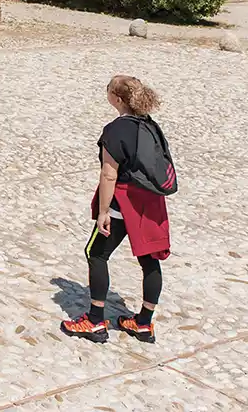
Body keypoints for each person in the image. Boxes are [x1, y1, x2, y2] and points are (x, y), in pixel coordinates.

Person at [61, 74, 170, 344]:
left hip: (125, 201)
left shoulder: (115, 130)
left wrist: (103, 212)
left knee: (96, 253)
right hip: (152, 200)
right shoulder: (150, 125)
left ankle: (95, 321)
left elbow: (109, 175)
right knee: (149, 258)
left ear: (117, 99)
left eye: (108, 89)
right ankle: (144, 323)